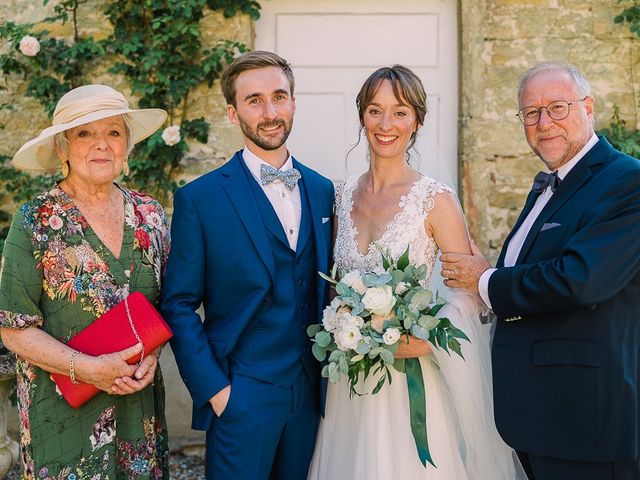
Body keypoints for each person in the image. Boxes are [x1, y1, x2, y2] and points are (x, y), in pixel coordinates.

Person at [308, 65, 524, 480]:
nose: (386, 124)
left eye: (400, 111)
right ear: (362, 117)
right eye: (375, 111)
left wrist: (422, 340)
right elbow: (333, 283)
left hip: (409, 377)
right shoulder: (340, 196)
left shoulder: (435, 200)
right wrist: (340, 321)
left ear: (417, 122)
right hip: (349, 381)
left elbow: (468, 292)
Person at [441, 61, 640, 480]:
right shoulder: (549, 185)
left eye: (557, 108)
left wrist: (485, 280)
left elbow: (579, 279)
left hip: (585, 420)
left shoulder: (627, 181)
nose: (543, 123)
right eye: (531, 113)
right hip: (537, 415)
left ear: (588, 107)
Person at [161, 50, 334, 480]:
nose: (270, 111)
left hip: (311, 395)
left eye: (279, 96)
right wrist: (216, 391)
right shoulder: (200, 200)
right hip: (241, 393)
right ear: (232, 113)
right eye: (254, 100)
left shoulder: (322, 189)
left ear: (293, 102)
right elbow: (178, 303)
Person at [0, 84, 171, 478]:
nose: (102, 145)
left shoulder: (151, 216)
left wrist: (152, 354)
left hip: (137, 407)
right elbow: (15, 330)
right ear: (62, 148)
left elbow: (164, 308)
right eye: (85, 133)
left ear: (126, 145)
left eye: (113, 132)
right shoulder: (34, 223)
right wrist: (88, 368)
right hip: (62, 413)